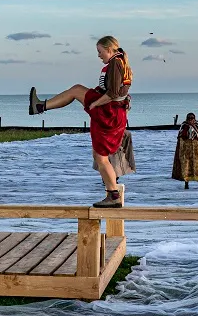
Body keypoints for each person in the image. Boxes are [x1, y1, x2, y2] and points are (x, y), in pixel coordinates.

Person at [28, 35, 133, 208]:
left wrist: (95, 103)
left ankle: (113, 195)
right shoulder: (120, 63)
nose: (99, 56)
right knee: (99, 156)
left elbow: (113, 93)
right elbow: (119, 91)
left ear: (109, 49)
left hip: (109, 111)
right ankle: (112, 193)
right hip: (114, 112)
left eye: (100, 52)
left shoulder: (116, 64)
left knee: (101, 157)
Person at [172, 112, 198, 189]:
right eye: (189, 118)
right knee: (186, 167)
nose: (191, 120)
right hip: (186, 153)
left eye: (192, 118)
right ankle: (186, 184)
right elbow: (180, 140)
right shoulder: (184, 127)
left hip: (197, 152)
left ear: (194, 118)